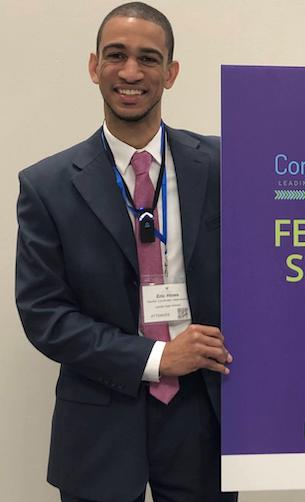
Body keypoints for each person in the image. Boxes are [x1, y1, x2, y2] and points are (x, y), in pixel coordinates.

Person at [15, 3, 236, 502]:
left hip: (205, 420)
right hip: (99, 422)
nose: (131, 72)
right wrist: (158, 357)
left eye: (149, 58)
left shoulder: (229, 165)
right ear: (94, 66)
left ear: (171, 72)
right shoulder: (46, 186)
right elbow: (44, 315)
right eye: (116, 55)